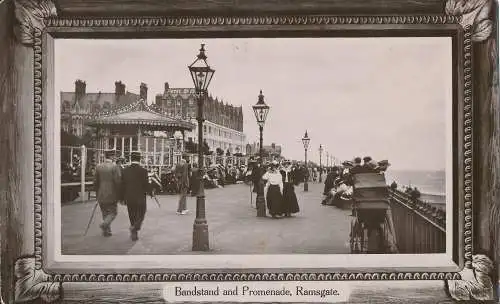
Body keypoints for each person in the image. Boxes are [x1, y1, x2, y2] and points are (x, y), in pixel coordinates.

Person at [121, 152, 149, 241]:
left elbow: (122, 185)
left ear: (131, 159)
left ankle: (134, 232)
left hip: (129, 197)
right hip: (140, 197)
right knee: (142, 212)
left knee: (131, 214)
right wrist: (151, 192)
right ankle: (136, 227)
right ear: (139, 159)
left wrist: (121, 198)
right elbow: (146, 185)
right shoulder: (143, 171)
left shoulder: (125, 170)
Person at [93, 150, 122, 237]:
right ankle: (104, 225)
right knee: (113, 212)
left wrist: (97, 193)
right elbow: (118, 182)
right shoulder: (115, 167)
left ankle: (107, 232)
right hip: (112, 193)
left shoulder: (98, 167)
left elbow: (95, 182)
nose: (115, 158)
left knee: (105, 213)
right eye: (114, 156)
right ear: (112, 157)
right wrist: (120, 194)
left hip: (101, 194)